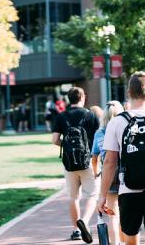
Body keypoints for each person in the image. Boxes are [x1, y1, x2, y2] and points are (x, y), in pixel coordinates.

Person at [98, 72, 145, 245]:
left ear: (128, 93)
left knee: (131, 240)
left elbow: (110, 163)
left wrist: (102, 196)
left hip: (128, 190)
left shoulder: (116, 122)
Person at [52, 87, 100, 243]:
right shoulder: (91, 116)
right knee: (92, 194)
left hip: (69, 163)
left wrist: (65, 146)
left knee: (73, 197)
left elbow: (54, 140)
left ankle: (75, 230)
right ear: (83, 98)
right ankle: (85, 221)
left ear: (69, 99)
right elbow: (98, 140)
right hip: (88, 162)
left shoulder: (61, 117)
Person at [91, 100, 125, 245]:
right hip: (125, 172)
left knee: (112, 214)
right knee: (126, 212)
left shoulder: (99, 133)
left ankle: (115, 242)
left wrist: (96, 172)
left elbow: (94, 157)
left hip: (108, 172)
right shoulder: (124, 128)